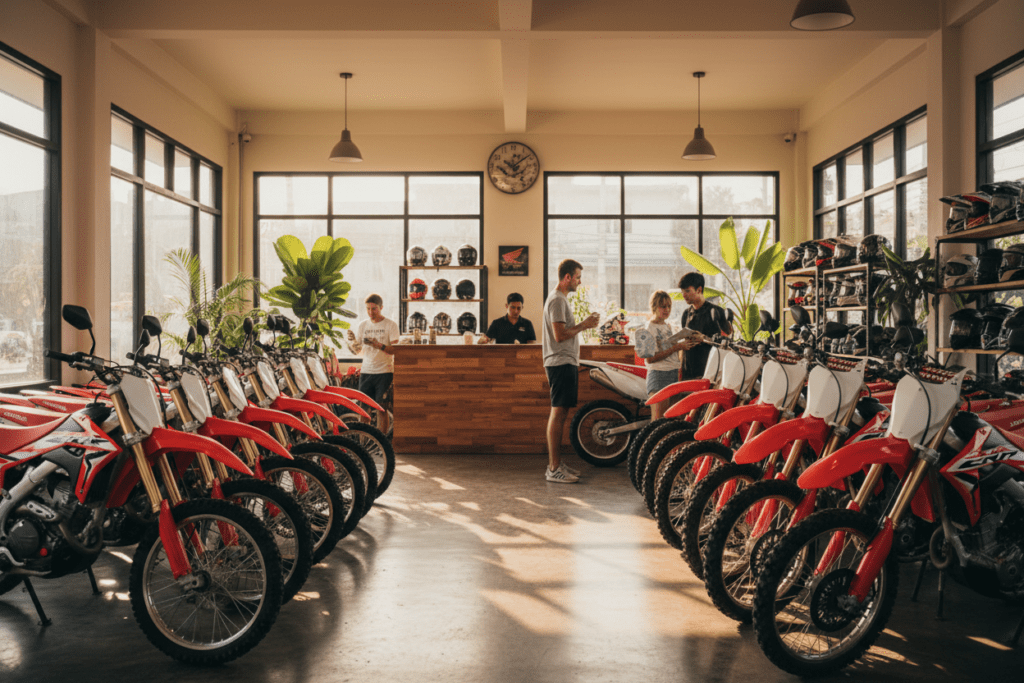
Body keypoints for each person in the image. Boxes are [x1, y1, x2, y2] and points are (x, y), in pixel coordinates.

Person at [543, 258, 600, 484]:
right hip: (560, 362)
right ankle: (553, 468)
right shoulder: (557, 300)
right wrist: (585, 325)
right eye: (577, 277)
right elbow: (559, 335)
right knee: (558, 414)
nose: (579, 281)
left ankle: (556, 464)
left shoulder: (560, 299)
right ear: (567, 277)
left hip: (564, 362)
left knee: (561, 413)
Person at [347, 293, 400, 435]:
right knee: (364, 409)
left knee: (381, 408)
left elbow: (395, 350)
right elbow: (359, 351)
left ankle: (381, 442)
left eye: (374, 309)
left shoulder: (390, 325)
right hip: (366, 371)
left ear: (381, 307)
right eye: (368, 309)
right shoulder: (362, 325)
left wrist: (379, 345)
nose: (371, 312)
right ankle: (365, 441)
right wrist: (351, 343)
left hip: (384, 372)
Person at [633, 290, 687, 421]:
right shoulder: (648, 328)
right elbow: (650, 359)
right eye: (663, 306)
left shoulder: (667, 326)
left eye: (669, 306)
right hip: (658, 375)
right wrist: (678, 347)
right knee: (658, 423)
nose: (667, 309)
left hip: (673, 374)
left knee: (671, 421)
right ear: (654, 307)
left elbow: (670, 351)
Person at [678, 272, 733, 379]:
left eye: (687, 291)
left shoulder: (717, 311)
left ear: (699, 290)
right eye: (682, 292)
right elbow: (684, 346)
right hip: (688, 373)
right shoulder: (686, 314)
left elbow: (727, 344)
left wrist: (703, 338)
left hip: (709, 373)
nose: (684, 295)